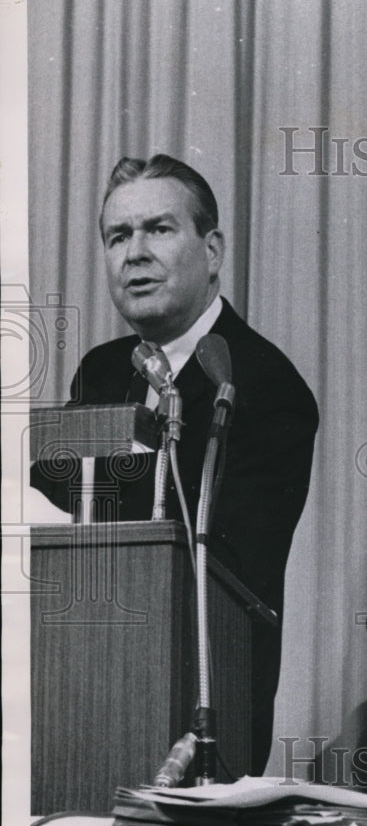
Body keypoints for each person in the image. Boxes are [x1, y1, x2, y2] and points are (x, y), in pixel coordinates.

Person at [31, 154, 319, 774]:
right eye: (118, 236)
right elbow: (51, 501)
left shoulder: (266, 386)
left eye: (158, 229)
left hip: (197, 705)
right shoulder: (102, 370)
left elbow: (235, 569)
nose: (134, 253)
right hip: (75, 693)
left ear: (211, 250)